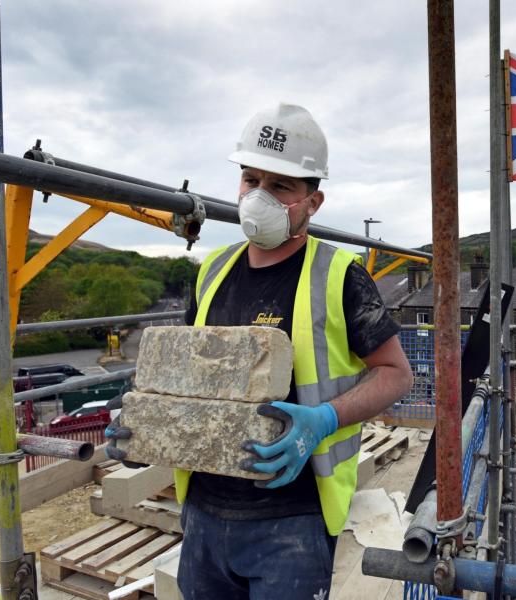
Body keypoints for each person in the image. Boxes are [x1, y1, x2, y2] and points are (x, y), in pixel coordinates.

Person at [105, 103, 413, 599]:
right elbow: (181, 380)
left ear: (313, 201)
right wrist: (145, 429)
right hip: (203, 513)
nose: (258, 197)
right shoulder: (213, 269)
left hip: (291, 522)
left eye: (281, 186)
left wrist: (323, 420)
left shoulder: (338, 274)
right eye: (251, 179)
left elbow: (396, 375)